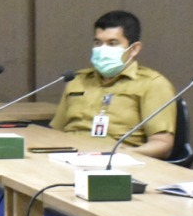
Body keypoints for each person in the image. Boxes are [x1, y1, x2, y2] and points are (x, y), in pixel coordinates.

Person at [50, 10, 177, 158]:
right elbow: (56, 131)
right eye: (98, 43)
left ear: (134, 49)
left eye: (112, 43)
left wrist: (124, 154)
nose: (102, 50)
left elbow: (162, 144)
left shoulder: (152, 84)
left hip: (118, 162)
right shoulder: (77, 80)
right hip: (68, 156)